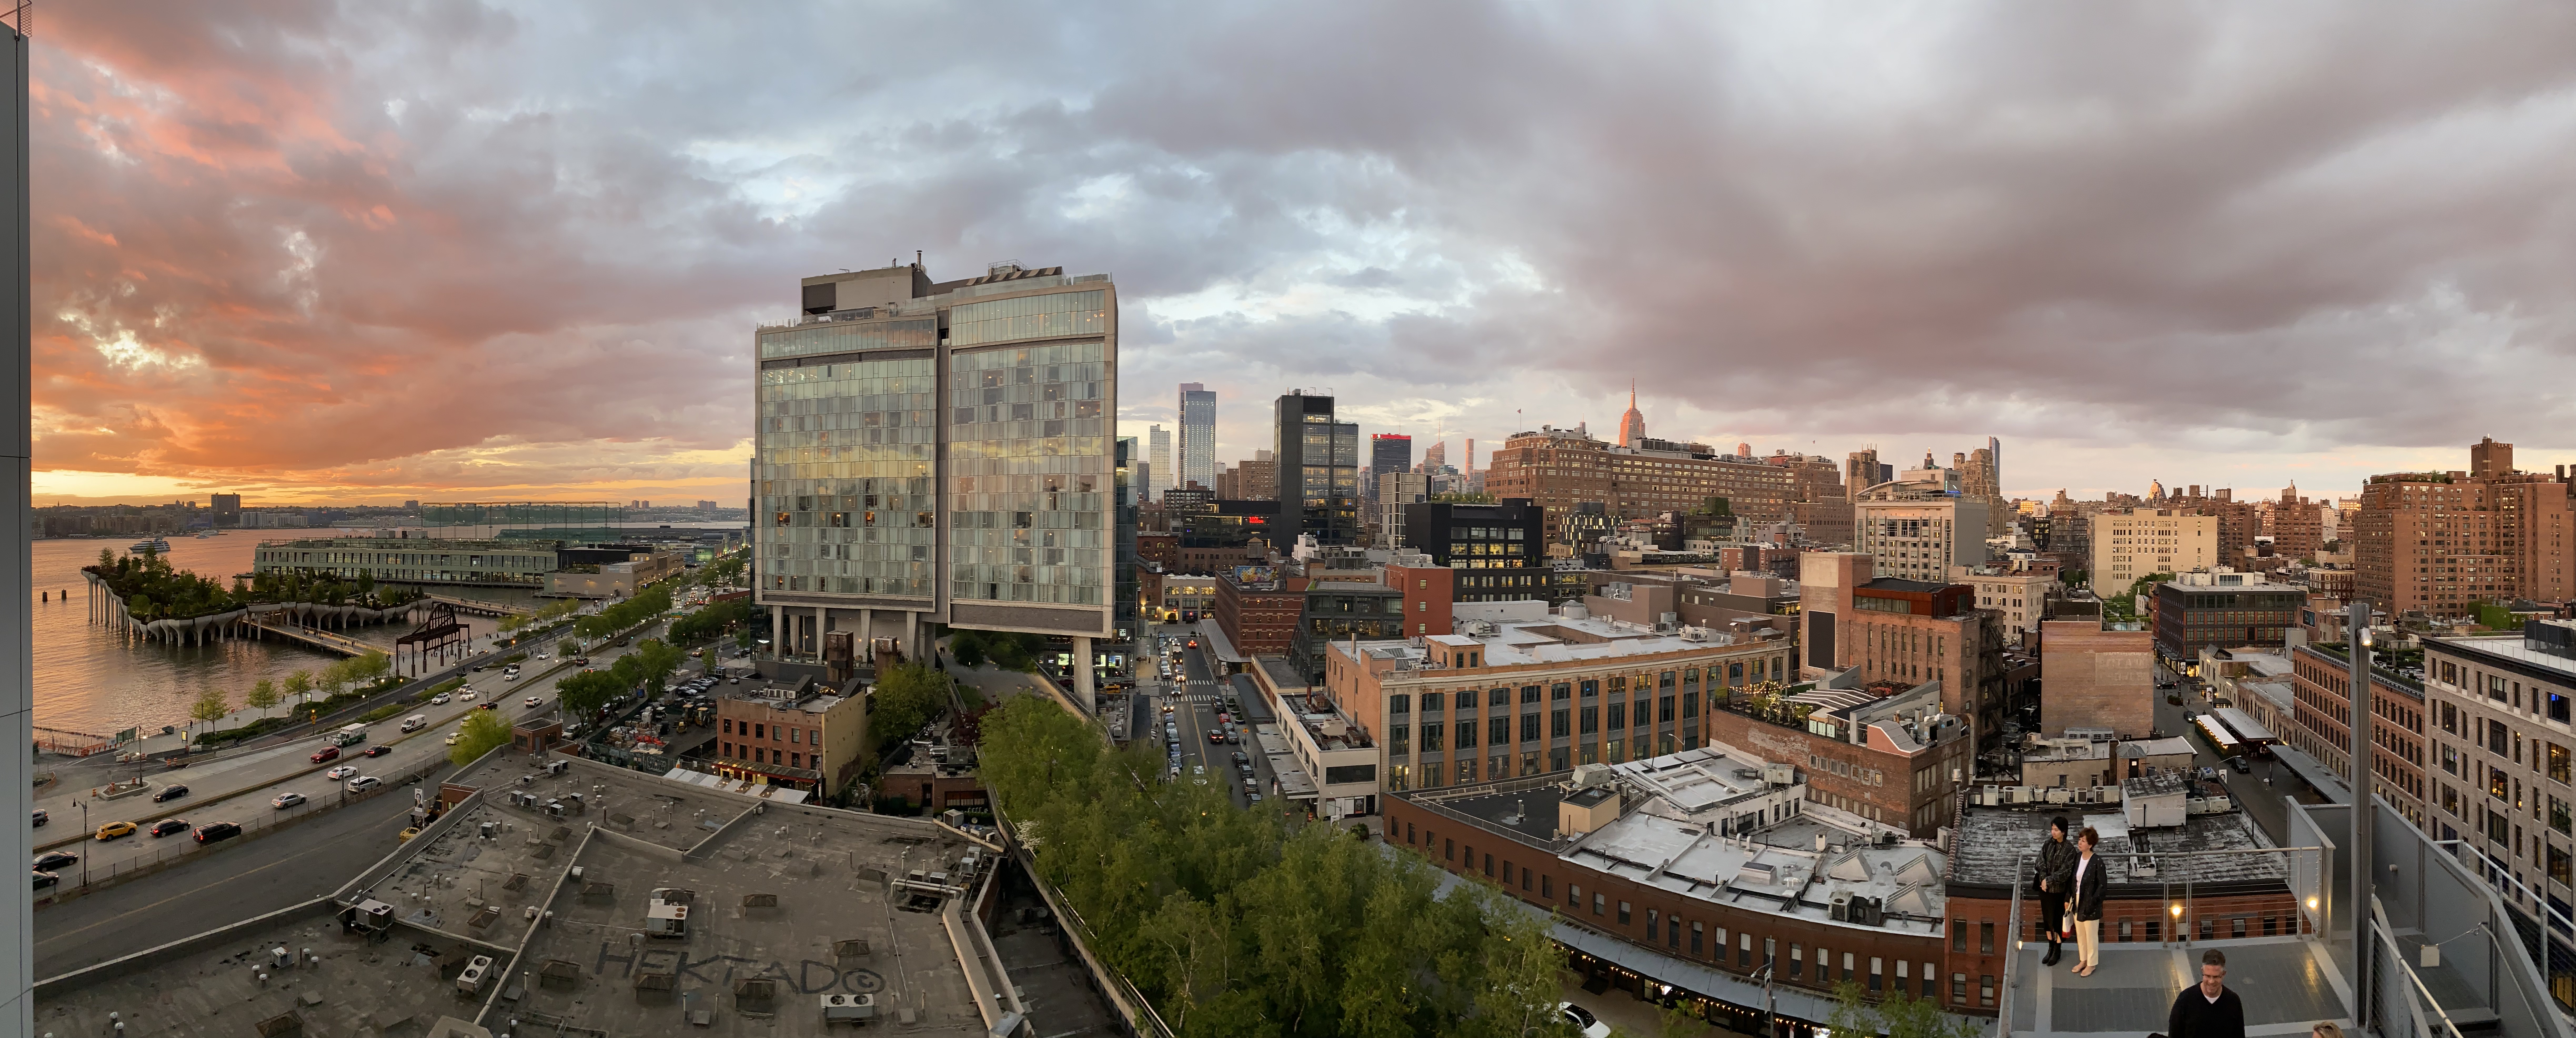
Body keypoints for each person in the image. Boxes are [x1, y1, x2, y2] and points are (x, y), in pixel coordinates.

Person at [2166, 948, 2245, 1037]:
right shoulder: (2185, 1000)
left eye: (2216, 977)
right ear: (2202, 971)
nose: (2211, 982)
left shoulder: (2233, 1002)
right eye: (2208, 976)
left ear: (2224, 974)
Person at [2034, 816, 2079, 966]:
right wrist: (2044, 879)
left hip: (2059, 891)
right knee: (2048, 920)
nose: (2053, 832)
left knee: (2058, 920)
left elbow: (2066, 872)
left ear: (2064, 832)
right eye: (2052, 829)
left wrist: (2049, 880)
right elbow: (2040, 861)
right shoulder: (2049, 844)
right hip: (2045, 889)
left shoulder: (2070, 850)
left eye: (2056, 830)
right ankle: (2050, 947)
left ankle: (2058, 949)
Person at [2068, 826, 2106, 976]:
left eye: (2083, 841)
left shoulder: (2097, 861)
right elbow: (2073, 880)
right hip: (2077, 900)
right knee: (2081, 935)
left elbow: (2102, 886)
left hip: (2090, 902)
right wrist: (2068, 899)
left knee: (2091, 935)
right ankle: (2083, 960)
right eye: (2080, 840)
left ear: (2090, 845)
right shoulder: (2078, 858)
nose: (2080, 843)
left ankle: (2091, 964)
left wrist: (2093, 903)